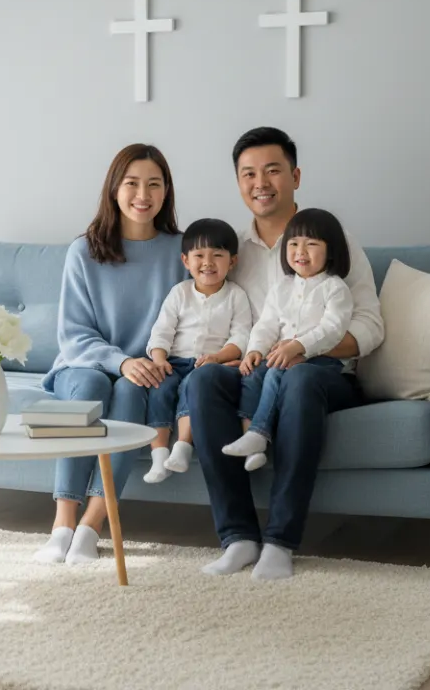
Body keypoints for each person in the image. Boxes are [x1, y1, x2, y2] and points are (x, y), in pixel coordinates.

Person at [187, 127, 384, 580]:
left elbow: (370, 328)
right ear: (238, 183)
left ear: (294, 176)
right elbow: (232, 322)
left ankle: (280, 541)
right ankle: (237, 537)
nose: (261, 183)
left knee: (300, 377)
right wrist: (247, 355)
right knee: (203, 380)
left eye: (272, 170)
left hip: (323, 375)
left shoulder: (335, 242)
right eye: (249, 174)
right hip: (255, 370)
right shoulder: (231, 252)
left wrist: (300, 349)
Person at [33, 143, 186, 565]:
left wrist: (151, 362)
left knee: (130, 393)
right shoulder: (84, 250)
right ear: (114, 189)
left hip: (147, 371)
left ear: (166, 192)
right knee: (91, 383)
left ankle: (92, 523)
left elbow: (193, 316)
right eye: (132, 183)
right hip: (85, 366)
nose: (143, 194)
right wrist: (121, 361)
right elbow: (75, 335)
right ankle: (62, 522)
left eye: (154, 184)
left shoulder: (183, 251)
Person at [223, 208, 354, 472]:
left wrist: (299, 346)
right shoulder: (282, 287)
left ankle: (259, 433)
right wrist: (254, 350)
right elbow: (267, 324)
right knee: (253, 375)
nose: (300, 251)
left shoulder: (335, 288)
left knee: (275, 372)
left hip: (322, 365)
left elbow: (333, 329)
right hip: (281, 357)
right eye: (293, 244)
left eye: (312, 244)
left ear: (331, 250)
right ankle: (251, 441)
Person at [141, 218, 253, 483]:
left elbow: (242, 336)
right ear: (185, 260)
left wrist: (218, 357)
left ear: (232, 261)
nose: (208, 262)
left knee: (195, 386)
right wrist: (158, 359)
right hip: (175, 361)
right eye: (199, 255)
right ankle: (158, 456)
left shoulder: (236, 295)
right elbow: (162, 330)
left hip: (210, 365)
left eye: (217, 255)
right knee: (160, 387)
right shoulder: (180, 293)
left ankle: (182, 445)